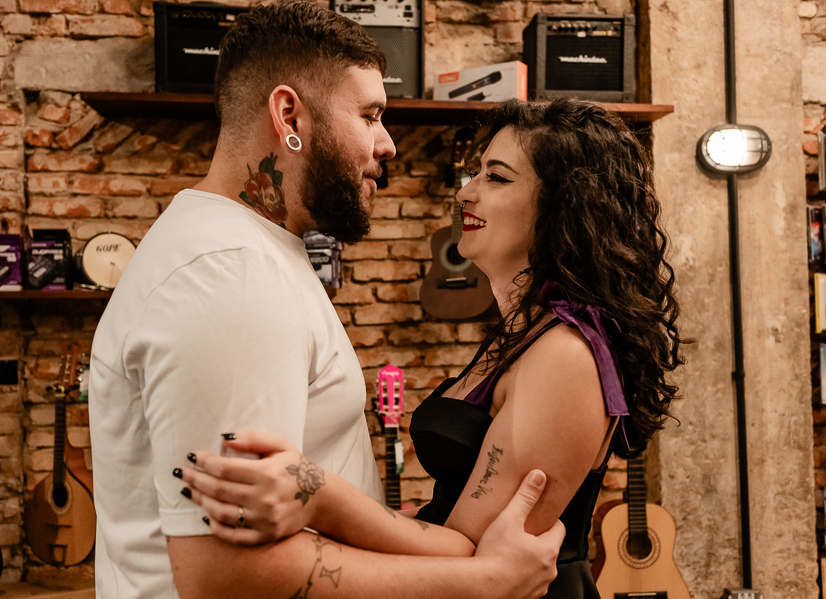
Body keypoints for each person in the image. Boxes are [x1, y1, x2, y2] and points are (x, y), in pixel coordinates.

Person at [88, 2, 565, 598]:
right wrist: (482, 581)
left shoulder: (251, 250)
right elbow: (225, 573)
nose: (387, 145)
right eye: (370, 116)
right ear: (289, 115)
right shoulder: (232, 276)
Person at [178, 97, 688, 598]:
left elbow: (477, 553)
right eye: (475, 173)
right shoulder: (522, 333)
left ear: (565, 205)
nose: (465, 193)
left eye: (496, 177)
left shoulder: (566, 355)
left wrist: (318, 496)